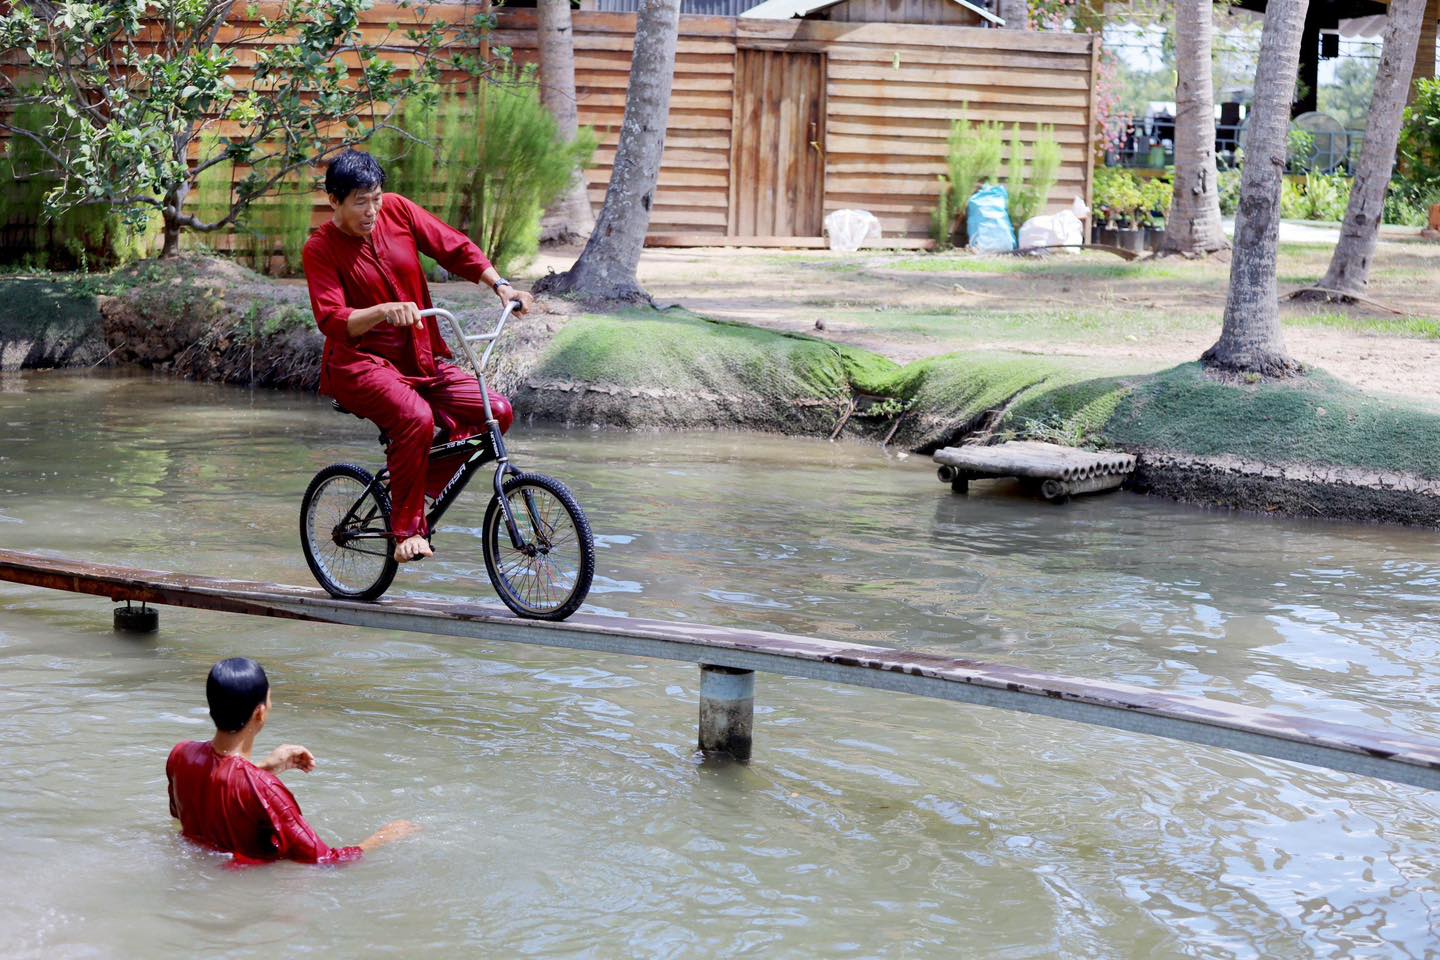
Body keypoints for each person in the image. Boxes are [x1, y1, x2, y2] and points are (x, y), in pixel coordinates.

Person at [302, 150, 535, 564]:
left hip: (421, 357)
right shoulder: (320, 248)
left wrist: (500, 285)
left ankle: (414, 476)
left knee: (495, 411)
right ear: (334, 201)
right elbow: (332, 319)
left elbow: (452, 246)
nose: (372, 210)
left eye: (376, 197)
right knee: (415, 418)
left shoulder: (398, 211)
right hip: (360, 365)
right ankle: (407, 531)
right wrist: (381, 312)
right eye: (360, 201)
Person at [166, 657, 417, 865]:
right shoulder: (266, 789)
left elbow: (189, 819)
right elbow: (325, 861)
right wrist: (385, 837)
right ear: (260, 713)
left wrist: (263, 769)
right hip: (253, 897)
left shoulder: (180, 756)